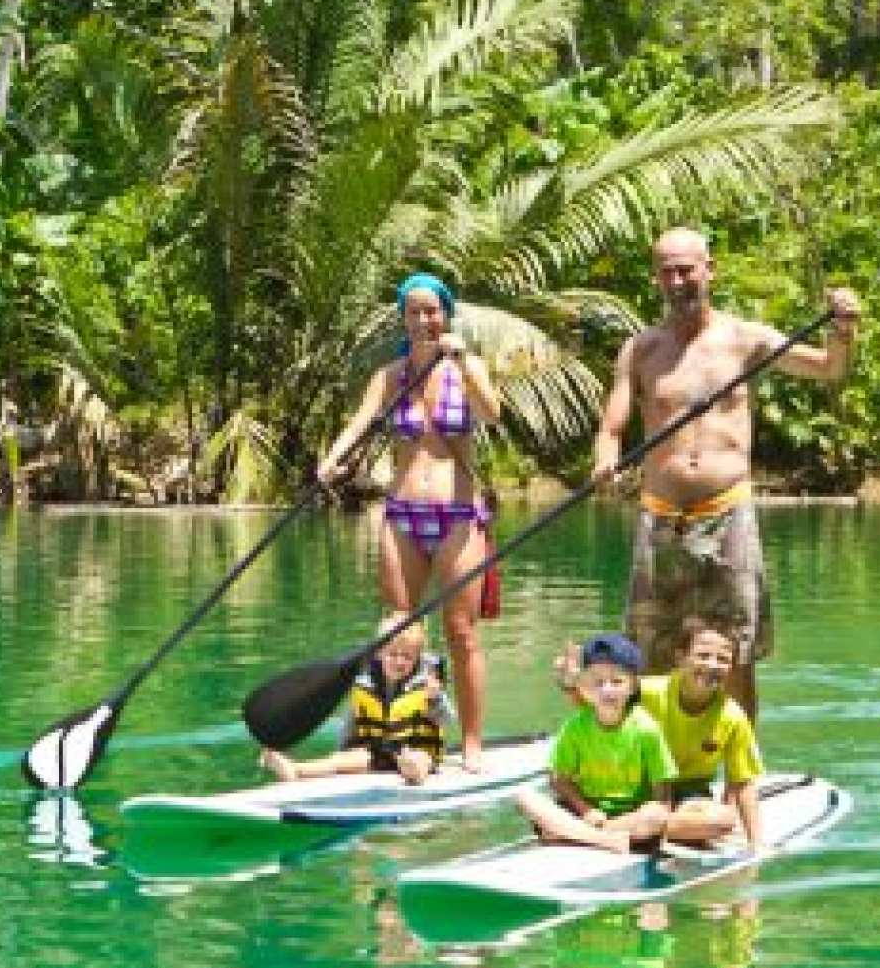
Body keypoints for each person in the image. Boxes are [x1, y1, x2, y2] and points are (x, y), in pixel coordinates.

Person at [592, 227, 862, 719]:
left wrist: (842, 330)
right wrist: (604, 455)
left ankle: (740, 776)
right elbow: (612, 424)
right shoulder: (641, 349)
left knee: (734, 650)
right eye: (667, 271)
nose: (677, 281)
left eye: (686, 270)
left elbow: (828, 369)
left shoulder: (746, 339)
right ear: (656, 277)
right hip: (660, 519)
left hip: (725, 516)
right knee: (651, 653)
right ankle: (662, 775)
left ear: (708, 270)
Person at [317, 273, 501, 771]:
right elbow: (358, 424)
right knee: (396, 631)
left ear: (446, 314)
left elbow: (493, 412)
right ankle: (388, 735)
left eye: (432, 311)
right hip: (401, 514)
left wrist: (461, 364)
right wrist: (332, 459)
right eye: (414, 312)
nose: (424, 320)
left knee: (461, 632)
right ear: (403, 318)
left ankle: (474, 741)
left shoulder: (467, 366)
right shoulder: (391, 376)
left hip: (458, 515)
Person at [516, 633, 676, 854]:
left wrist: (657, 831)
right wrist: (586, 810)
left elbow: (663, 794)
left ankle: (573, 835)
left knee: (656, 815)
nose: (607, 690)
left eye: (617, 682)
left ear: (633, 686)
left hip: (630, 817)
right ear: (584, 686)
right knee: (525, 797)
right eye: (598, 683)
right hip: (586, 814)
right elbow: (558, 779)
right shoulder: (574, 727)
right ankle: (603, 839)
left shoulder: (647, 729)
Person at [260, 612, 452, 785]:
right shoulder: (365, 682)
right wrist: (344, 750)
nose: (399, 661)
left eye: (407, 657)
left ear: (417, 658)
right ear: (379, 653)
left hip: (416, 750)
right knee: (338, 761)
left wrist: (435, 699)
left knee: (418, 762)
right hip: (377, 750)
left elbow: (446, 720)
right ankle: (295, 770)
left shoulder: (427, 684)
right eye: (393, 654)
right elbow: (351, 720)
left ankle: (412, 771)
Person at [637, 617, 765, 852]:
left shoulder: (732, 716)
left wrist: (756, 844)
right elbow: (599, 701)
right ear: (680, 658)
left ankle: (637, 827)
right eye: (703, 655)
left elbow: (743, 783)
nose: (712, 665)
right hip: (639, 786)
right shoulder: (647, 691)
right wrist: (571, 683)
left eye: (723, 660)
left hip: (689, 795)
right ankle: (646, 826)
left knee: (723, 821)